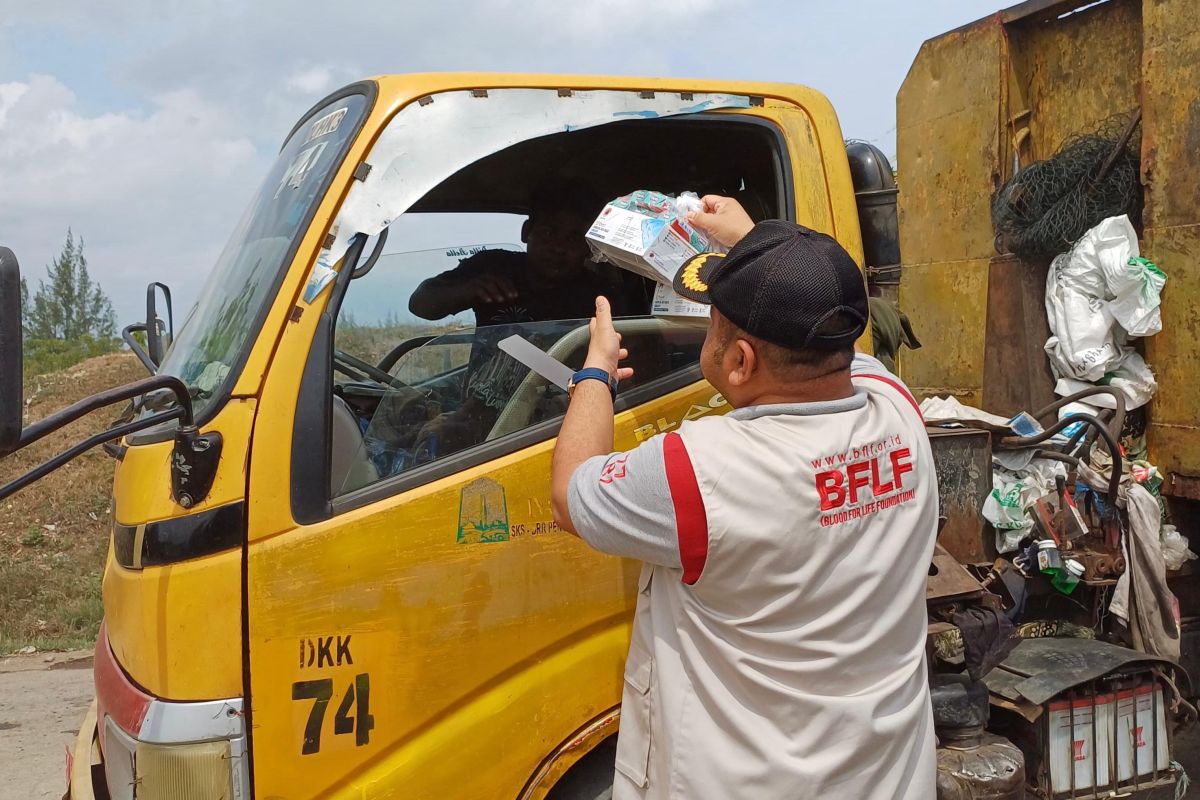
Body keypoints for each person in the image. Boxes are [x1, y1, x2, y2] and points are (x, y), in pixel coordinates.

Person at [549, 196, 938, 799]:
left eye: (714, 322)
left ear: (739, 360)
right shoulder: (899, 412)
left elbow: (572, 493)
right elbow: (838, 347)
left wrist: (595, 371)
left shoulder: (697, 471)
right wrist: (763, 248)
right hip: (888, 779)